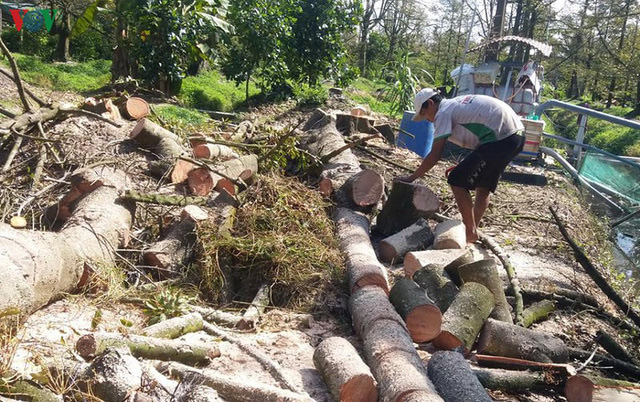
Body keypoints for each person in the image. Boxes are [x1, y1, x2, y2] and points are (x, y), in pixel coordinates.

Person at [396, 88, 525, 243]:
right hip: (516, 137)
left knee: (456, 180)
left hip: (500, 138)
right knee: (483, 186)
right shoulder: (454, 105)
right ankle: (471, 231)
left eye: (424, 114)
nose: (427, 119)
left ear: (430, 103)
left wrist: (411, 177)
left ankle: (469, 231)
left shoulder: (443, 113)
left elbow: (435, 155)